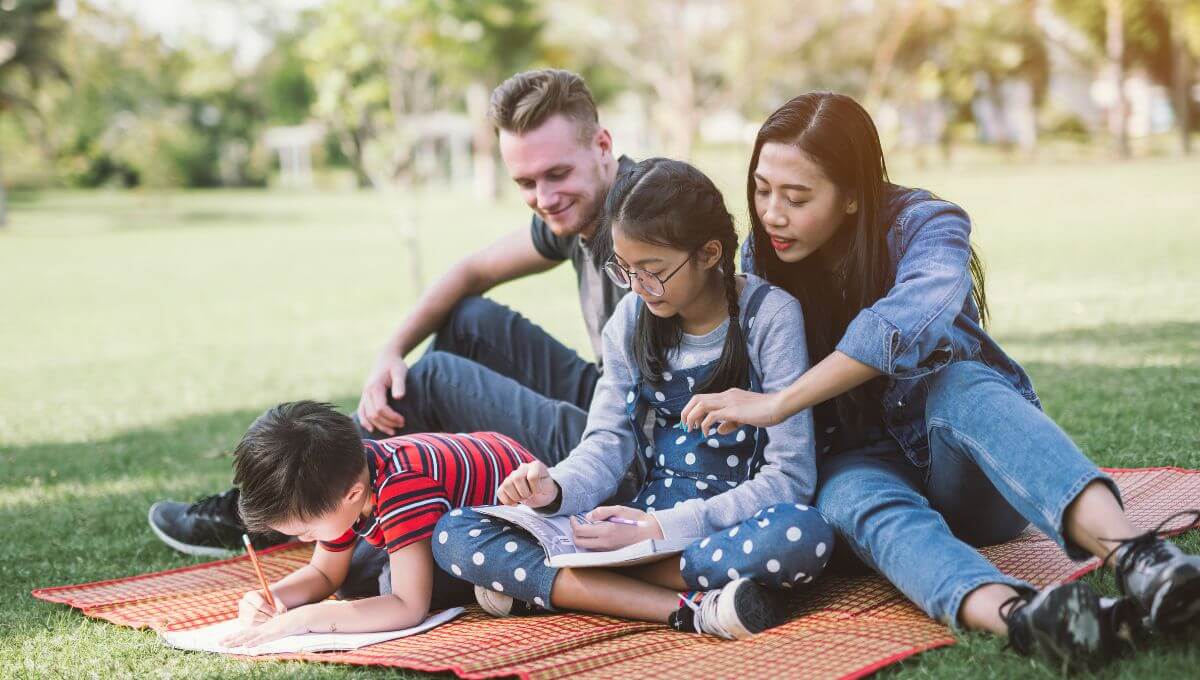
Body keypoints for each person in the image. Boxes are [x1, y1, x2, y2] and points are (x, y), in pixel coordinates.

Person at [679, 92, 1200, 669]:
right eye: (762, 189)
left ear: (853, 195)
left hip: (970, 473)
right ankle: (1025, 618)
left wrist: (779, 402)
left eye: (796, 197)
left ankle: (1143, 561)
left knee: (960, 386)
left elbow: (902, 327)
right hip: (860, 465)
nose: (773, 212)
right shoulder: (759, 259)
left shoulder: (926, 225)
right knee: (844, 493)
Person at [148, 68, 639, 558]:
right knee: (468, 320)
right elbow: (469, 272)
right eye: (525, 181)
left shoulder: (649, 211)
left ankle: (308, 509)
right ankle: (372, 501)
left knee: (432, 378)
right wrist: (390, 351)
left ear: (602, 145)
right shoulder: (580, 210)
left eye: (557, 174)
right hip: (608, 396)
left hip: (631, 448)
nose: (544, 198)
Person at [433, 158, 835, 641]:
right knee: (454, 531)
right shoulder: (630, 319)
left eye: (653, 271)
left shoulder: (770, 317)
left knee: (802, 536)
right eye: (624, 270)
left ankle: (574, 587)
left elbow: (791, 476)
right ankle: (690, 607)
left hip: (722, 526)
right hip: (628, 528)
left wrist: (658, 529)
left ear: (709, 253)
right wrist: (553, 490)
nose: (640, 288)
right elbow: (606, 442)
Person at [220, 400, 534, 647]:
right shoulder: (347, 478)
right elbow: (325, 573)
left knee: (388, 590)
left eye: (307, 531)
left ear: (352, 495)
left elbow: (409, 608)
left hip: (519, 523)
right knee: (353, 578)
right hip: (444, 510)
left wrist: (307, 618)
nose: (305, 540)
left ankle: (504, 586)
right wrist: (272, 597)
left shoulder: (401, 486)